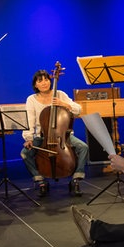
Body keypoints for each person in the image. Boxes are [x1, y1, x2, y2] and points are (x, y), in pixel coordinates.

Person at [21, 69, 89, 197]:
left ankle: (76, 179)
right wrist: (28, 138)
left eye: (46, 79)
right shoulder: (31, 99)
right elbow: (30, 120)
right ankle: (40, 180)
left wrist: (64, 104)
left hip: (62, 136)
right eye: (40, 81)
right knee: (25, 154)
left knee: (83, 147)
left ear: (50, 80)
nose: (44, 83)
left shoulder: (60, 94)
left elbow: (78, 110)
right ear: (35, 84)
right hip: (42, 137)